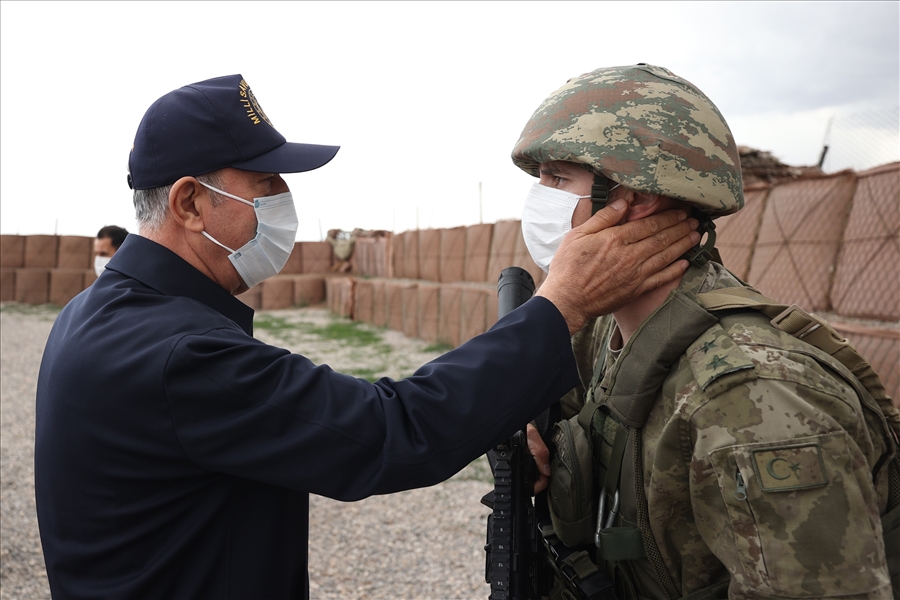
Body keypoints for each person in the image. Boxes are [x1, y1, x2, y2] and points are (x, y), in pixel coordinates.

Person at [34, 74, 701, 599]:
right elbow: (390, 431)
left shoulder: (102, 313)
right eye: (263, 184)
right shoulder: (176, 353)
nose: (282, 201)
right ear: (189, 202)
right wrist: (561, 305)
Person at [514, 64, 898, 600]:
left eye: (557, 178)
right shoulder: (604, 331)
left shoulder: (751, 395)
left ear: (636, 198)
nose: (538, 200)